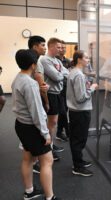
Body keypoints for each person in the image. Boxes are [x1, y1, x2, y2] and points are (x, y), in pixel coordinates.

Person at [12, 49, 61, 200]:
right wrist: (45, 133)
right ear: (33, 65)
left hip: (21, 124)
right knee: (47, 160)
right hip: (32, 128)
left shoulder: (18, 78)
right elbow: (37, 112)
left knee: (28, 158)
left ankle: (29, 191)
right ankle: (50, 197)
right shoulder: (30, 83)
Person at [66, 50, 98, 177]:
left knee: (77, 138)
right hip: (80, 111)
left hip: (76, 111)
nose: (88, 60)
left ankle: (78, 162)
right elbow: (81, 97)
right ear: (79, 59)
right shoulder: (78, 75)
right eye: (86, 58)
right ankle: (77, 167)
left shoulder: (75, 72)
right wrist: (92, 88)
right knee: (79, 139)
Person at [38, 37, 69, 161]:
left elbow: (67, 73)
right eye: (58, 47)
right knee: (51, 122)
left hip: (58, 93)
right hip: (50, 94)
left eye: (62, 47)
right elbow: (57, 77)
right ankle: (47, 148)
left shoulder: (57, 60)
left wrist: (61, 73)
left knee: (54, 122)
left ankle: (50, 144)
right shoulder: (45, 60)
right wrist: (61, 74)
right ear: (51, 47)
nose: (61, 49)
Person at [28, 35, 49, 173]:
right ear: (35, 46)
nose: (45, 48)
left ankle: (34, 159)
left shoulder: (30, 59)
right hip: (37, 98)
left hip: (31, 98)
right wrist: (46, 102)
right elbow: (42, 85)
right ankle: (35, 161)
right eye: (42, 45)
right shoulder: (37, 62)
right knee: (38, 128)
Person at [55, 40, 71, 142]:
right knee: (62, 112)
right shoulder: (54, 61)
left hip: (67, 89)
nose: (63, 49)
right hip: (58, 90)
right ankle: (68, 131)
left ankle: (59, 132)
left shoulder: (67, 61)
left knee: (64, 111)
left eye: (64, 48)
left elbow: (70, 73)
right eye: (60, 48)